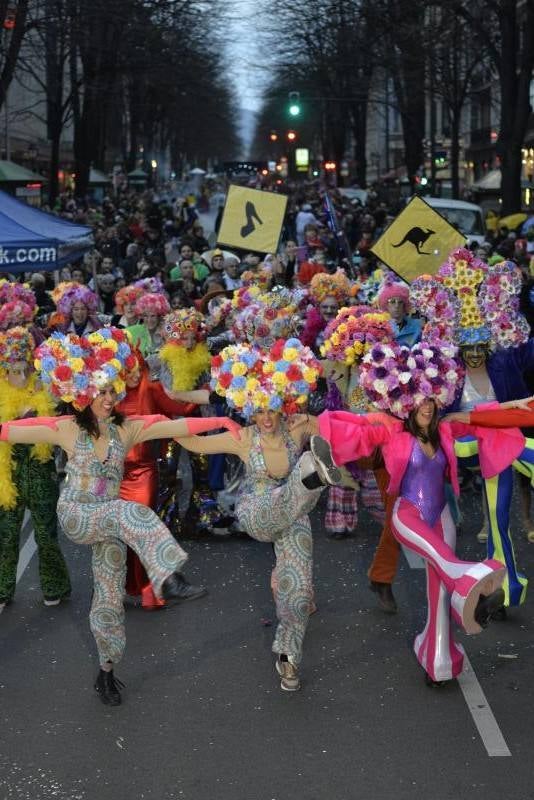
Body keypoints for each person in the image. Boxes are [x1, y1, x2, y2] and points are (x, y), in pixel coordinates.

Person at [0, 327, 240, 706]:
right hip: (78, 515)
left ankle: (107, 669)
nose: (109, 398)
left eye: (112, 391)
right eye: (100, 392)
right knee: (131, 510)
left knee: (110, 598)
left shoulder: (126, 430)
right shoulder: (65, 429)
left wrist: (221, 422)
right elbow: (12, 430)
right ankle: (165, 569)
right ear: (82, 394)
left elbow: (173, 425)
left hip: (110, 525)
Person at [318, 338, 515, 686]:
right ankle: (477, 583)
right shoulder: (393, 431)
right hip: (408, 516)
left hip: (442, 518)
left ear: (438, 396)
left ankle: (439, 660)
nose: (426, 406)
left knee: (439, 591)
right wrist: (308, 424)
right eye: (419, 399)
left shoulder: (445, 429)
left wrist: (519, 407)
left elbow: (490, 417)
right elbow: (354, 426)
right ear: (406, 401)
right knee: (449, 565)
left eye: (430, 399)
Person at [177, 338, 341, 692]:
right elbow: (194, 444)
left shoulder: (298, 426)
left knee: (297, 594)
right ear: (249, 409)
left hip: (294, 516)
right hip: (258, 511)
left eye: (271, 410)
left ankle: (287, 656)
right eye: (259, 411)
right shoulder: (242, 437)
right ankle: (312, 473)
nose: (266, 419)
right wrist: (165, 426)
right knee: (301, 486)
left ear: (282, 405)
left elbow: (339, 427)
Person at [0, 328, 71, 612]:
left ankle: (56, 585)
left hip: (40, 468)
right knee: (5, 535)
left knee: (45, 534)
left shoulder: (43, 386)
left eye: (22, 364)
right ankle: (2, 589)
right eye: (11, 365)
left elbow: (61, 416)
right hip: (8, 472)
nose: (17, 371)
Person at [377, 281, 422, 347]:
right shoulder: (382, 329)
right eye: (392, 302)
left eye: (400, 302)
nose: (396, 306)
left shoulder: (417, 325)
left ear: (404, 305)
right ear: (386, 305)